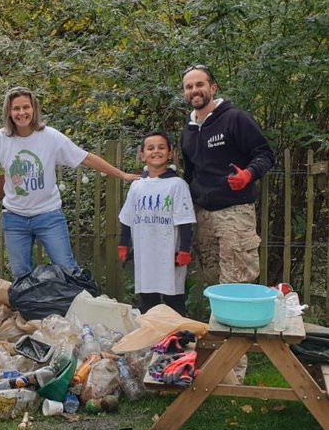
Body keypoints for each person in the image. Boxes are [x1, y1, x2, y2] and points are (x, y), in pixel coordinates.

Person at [0, 86, 138, 278]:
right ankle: (28, 309)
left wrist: (122, 175)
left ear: (33, 109)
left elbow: (85, 158)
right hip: (15, 218)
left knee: (67, 270)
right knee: (21, 276)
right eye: (16, 109)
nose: (22, 113)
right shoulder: (2, 138)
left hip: (48, 216)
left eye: (26, 107)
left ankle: (72, 307)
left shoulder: (50, 137)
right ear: (9, 112)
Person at [179, 65, 275, 292]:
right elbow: (190, 173)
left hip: (235, 212)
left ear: (213, 88)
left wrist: (249, 174)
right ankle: (217, 327)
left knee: (236, 282)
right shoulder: (189, 130)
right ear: (184, 93)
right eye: (189, 86)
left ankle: (239, 327)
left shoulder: (235, 119)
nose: (194, 90)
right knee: (212, 283)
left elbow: (265, 155)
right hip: (203, 216)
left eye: (200, 84)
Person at [118, 131, 196, 315]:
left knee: (173, 300)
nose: (156, 151)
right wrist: (123, 244)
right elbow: (127, 218)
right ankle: (151, 338)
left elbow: (185, 221)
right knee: (147, 300)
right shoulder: (137, 186)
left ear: (170, 154)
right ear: (142, 155)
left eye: (161, 147)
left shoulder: (177, 185)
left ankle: (177, 338)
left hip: (169, 254)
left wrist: (184, 249)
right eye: (150, 148)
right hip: (144, 253)